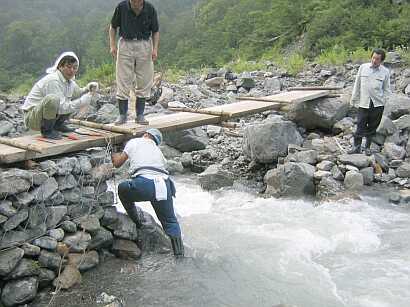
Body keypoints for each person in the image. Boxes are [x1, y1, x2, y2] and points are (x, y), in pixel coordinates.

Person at [111, 128, 184, 257]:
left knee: (123, 189)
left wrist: (114, 151)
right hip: (164, 185)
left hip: (144, 184)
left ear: (146, 134)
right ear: (156, 142)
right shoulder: (159, 152)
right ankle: (179, 255)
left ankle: (137, 221)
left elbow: (117, 163)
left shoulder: (134, 142)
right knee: (170, 222)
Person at [22, 52, 99, 140]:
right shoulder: (53, 80)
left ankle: (57, 125)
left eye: (75, 68)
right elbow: (62, 108)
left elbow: (77, 93)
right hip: (32, 118)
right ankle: (47, 131)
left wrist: (88, 88)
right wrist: (82, 101)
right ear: (60, 67)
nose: (72, 70)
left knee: (69, 100)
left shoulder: (69, 81)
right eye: (68, 67)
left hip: (42, 115)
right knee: (53, 99)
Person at [109, 0, 160, 125]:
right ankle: (122, 115)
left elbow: (156, 31)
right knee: (123, 78)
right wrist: (112, 45)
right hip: (126, 43)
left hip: (144, 44)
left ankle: (140, 114)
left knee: (144, 78)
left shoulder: (150, 8)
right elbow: (113, 27)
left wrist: (155, 49)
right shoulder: (121, 7)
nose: (136, 2)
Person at [349, 48, 391, 155]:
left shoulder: (385, 72)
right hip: (364, 102)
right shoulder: (363, 67)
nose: (374, 60)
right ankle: (356, 147)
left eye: (377, 59)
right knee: (360, 125)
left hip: (377, 104)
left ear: (381, 61)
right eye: (373, 58)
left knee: (372, 127)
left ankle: (367, 147)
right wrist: (354, 98)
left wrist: (384, 101)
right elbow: (357, 84)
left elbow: (387, 89)